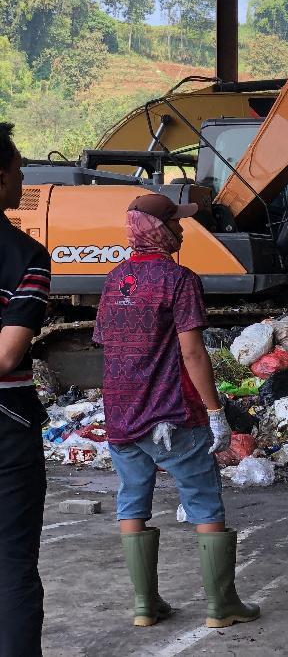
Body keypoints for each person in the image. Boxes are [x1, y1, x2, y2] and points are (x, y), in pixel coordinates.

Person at [93, 193, 260, 629]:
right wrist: (215, 409)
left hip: (120, 415)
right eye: (177, 222)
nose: (184, 229)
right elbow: (193, 353)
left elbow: (108, 348)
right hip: (170, 415)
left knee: (132, 503)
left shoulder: (114, 280)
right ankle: (221, 606)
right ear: (162, 230)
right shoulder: (179, 279)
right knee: (204, 503)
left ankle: (145, 606)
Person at [0, 123, 50, 657]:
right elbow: (7, 355)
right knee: (11, 565)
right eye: (17, 171)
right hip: (5, 422)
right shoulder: (25, 254)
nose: (22, 180)